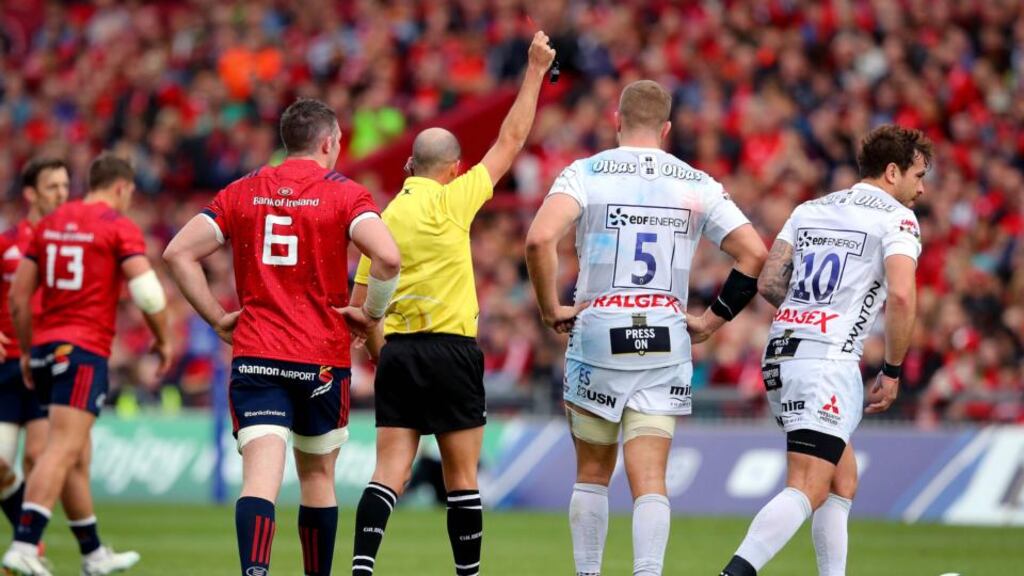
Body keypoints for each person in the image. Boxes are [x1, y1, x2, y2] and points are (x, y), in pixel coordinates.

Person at [525, 79, 767, 576]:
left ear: (617, 121)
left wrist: (550, 307)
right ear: (667, 128)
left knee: (592, 475)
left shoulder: (585, 173)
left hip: (597, 334)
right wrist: (712, 319)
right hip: (665, 334)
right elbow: (755, 254)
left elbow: (538, 239)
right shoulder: (695, 181)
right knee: (650, 477)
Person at [347, 30, 556, 576]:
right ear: (454, 168)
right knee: (461, 477)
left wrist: (377, 351)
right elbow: (510, 140)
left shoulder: (384, 216)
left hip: (400, 353)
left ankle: (362, 567)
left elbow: (359, 304)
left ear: (410, 166)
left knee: (387, 471)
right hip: (453, 352)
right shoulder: (454, 200)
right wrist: (534, 71)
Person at [163, 97, 400, 576]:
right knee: (317, 478)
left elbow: (177, 253)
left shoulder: (243, 189)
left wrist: (215, 318)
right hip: (320, 358)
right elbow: (389, 258)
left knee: (260, 480)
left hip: (256, 355)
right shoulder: (344, 192)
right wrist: (370, 314)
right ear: (329, 142)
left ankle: (255, 571)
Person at [718, 125, 931, 576]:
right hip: (827, 360)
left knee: (841, 479)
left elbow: (771, 281)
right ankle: (733, 573)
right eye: (918, 175)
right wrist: (892, 370)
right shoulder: (897, 219)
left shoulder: (811, 208)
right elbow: (903, 295)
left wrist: (809, 310)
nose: (922, 187)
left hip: (781, 350)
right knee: (808, 485)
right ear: (892, 172)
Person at [2, 153, 172, 576]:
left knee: (75, 453)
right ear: (120, 187)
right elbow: (148, 294)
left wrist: (26, 351)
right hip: (82, 352)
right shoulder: (116, 226)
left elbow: (19, 298)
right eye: (130, 192)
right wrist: (164, 339)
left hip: (42, 349)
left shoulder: (51, 225)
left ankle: (93, 554)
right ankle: (24, 544)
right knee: (60, 449)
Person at [0, 158, 69, 535]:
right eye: (52, 187)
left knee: (36, 455)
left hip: (46, 361)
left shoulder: (71, 241)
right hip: (7, 366)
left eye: (64, 186)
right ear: (31, 193)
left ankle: (29, 544)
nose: (61, 194)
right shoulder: (8, 242)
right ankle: (25, 536)